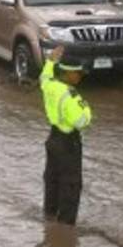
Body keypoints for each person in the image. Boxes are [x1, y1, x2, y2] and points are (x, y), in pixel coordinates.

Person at [40, 45, 93, 225]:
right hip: (68, 143)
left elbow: (44, 77)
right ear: (68, 73)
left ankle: (49, 215)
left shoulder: (51, 86)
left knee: (52, 179)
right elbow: (82, 121)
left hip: (53, 138)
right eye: (78, 73)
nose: (80, 76)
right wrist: (86, 108)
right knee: (71, 185)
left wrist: (50, 61)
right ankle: (65, 227)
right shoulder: (70, 96)